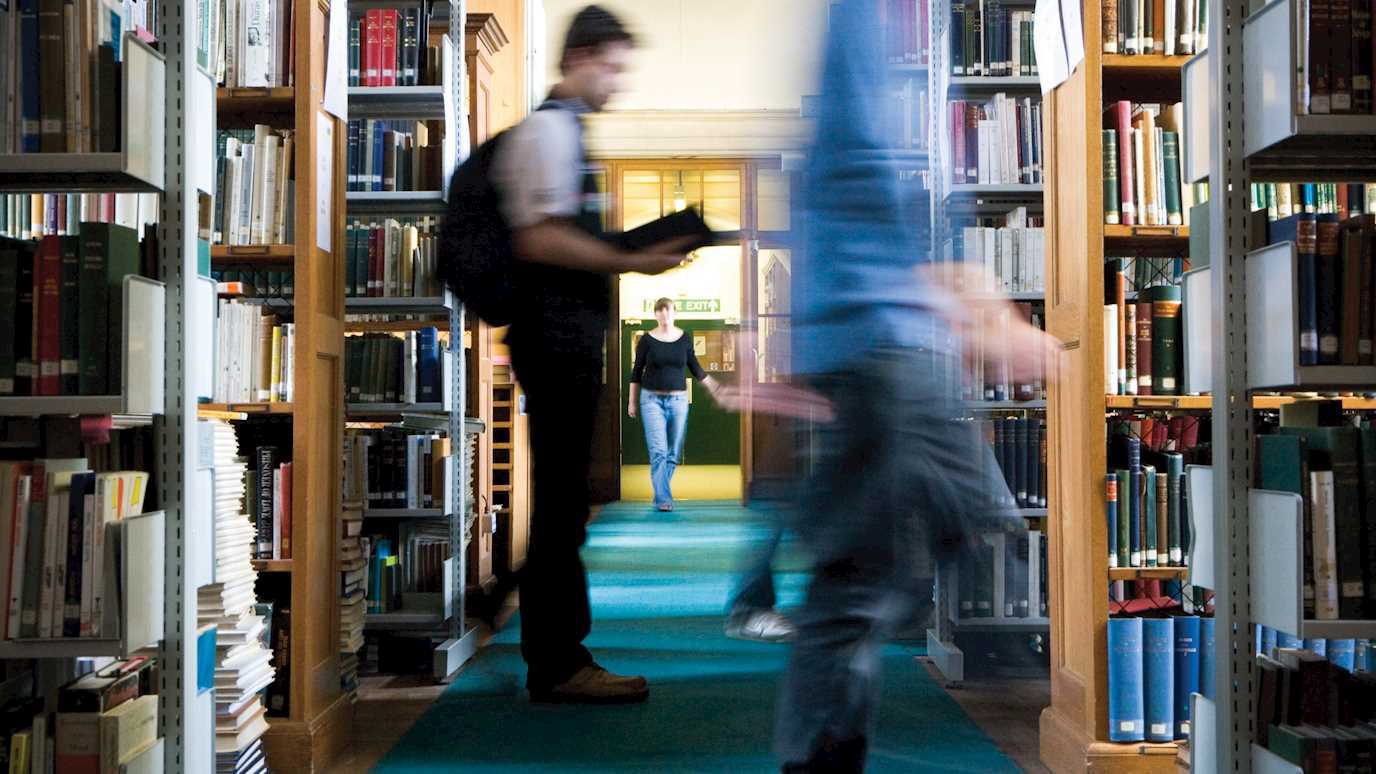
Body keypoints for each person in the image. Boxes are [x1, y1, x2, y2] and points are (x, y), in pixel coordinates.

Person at [760, 1, 1061, 769]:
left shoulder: (890, 58)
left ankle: (833, 745)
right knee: (871, 582)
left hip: (882, 347)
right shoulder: (864, 36)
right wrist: (980, 313)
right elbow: (861, 191)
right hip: (883, 350)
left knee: (880, 578)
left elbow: (875, 216)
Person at [489, 4, 693, 705]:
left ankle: (542, 636)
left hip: (563, 340)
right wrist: (624, 257)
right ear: (579, 59)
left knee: (563, 503)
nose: (618, 81)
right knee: (562, 506)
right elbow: (538, 239)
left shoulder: (566, 135)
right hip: (553, 340)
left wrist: (628, 256)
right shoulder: (548, 133)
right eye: (611, 65)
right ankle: (557, 661)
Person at [626, 297, 720, 512]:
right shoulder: (647, 341)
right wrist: (632, 402)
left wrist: (713, 386)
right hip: (651, 401)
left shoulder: (684, 338)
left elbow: (695, 367)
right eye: (660, 311)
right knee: (658, 450)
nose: (665, 315)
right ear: (656, 315)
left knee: (673, 452)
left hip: (678, 401)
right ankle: (663, 499)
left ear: (674, 313)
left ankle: (660, 490)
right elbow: (636, 372)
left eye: (668, 311)